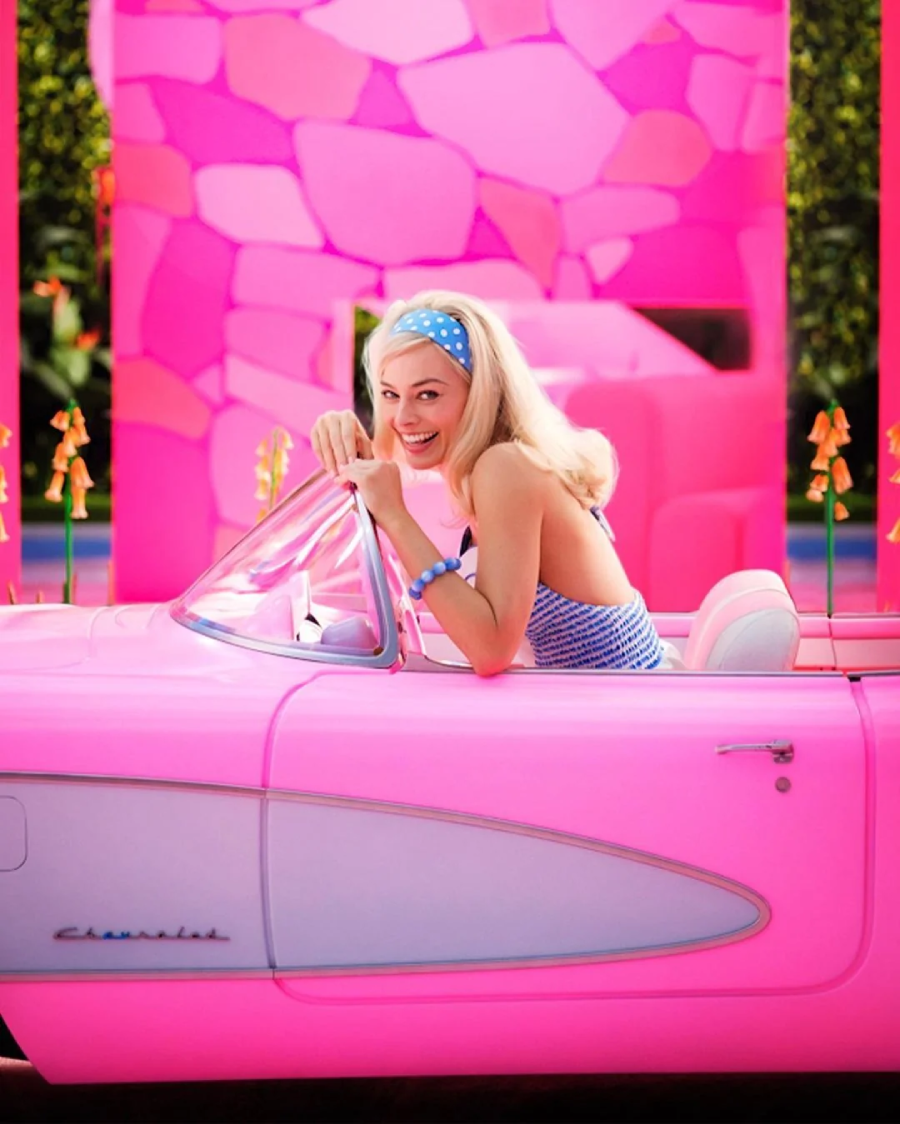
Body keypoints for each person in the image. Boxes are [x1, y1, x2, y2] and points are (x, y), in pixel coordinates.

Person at [310, 292, 664, 676]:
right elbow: (385, 461)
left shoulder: (506, 466)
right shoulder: (493, 466)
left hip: (625, 713)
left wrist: (396, 515)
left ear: (479, 393)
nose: (403, 416)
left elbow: (491, 650)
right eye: (390, 394)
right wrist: (342, 432)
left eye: (428, 394)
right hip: (599, 705)